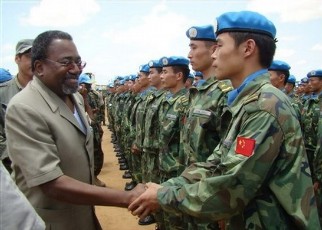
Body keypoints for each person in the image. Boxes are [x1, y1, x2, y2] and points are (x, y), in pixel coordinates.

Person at [129, 11, 320, 229]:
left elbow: (233, 185)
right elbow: (218, 162)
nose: (213, 55)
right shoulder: (247, 102)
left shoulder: (265, 106)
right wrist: (172, 185)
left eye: (219, 46)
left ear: (247, 48)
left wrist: (164, 195)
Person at [5, 30, 144, 230]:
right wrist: (126, 197)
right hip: (54, 222)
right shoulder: (24, 108)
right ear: (40, 67)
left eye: (79, 62)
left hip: (83, 216)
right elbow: (51, 183)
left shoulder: (75, 98)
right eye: (66, 62)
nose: (76, 69)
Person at [0, 39, 33, 173]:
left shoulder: (52, 92)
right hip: (15, 168)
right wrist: (24, 156)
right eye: (30, 57)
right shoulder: (3, 93)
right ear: (17, 59)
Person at [301, 69, 322, 224]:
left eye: (312, 80)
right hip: (308, 153)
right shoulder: (308, 102)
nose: (309, 84)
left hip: (319, 157)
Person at [78, 73, 106, 187]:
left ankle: (94, 177)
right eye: (87, 85)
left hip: (92, 128)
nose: (89, 88)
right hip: (84, 131)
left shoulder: (88, 95)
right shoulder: (76, 96)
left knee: (98, 153)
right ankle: (92, 178)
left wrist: (98, 126)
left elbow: (91, 113)